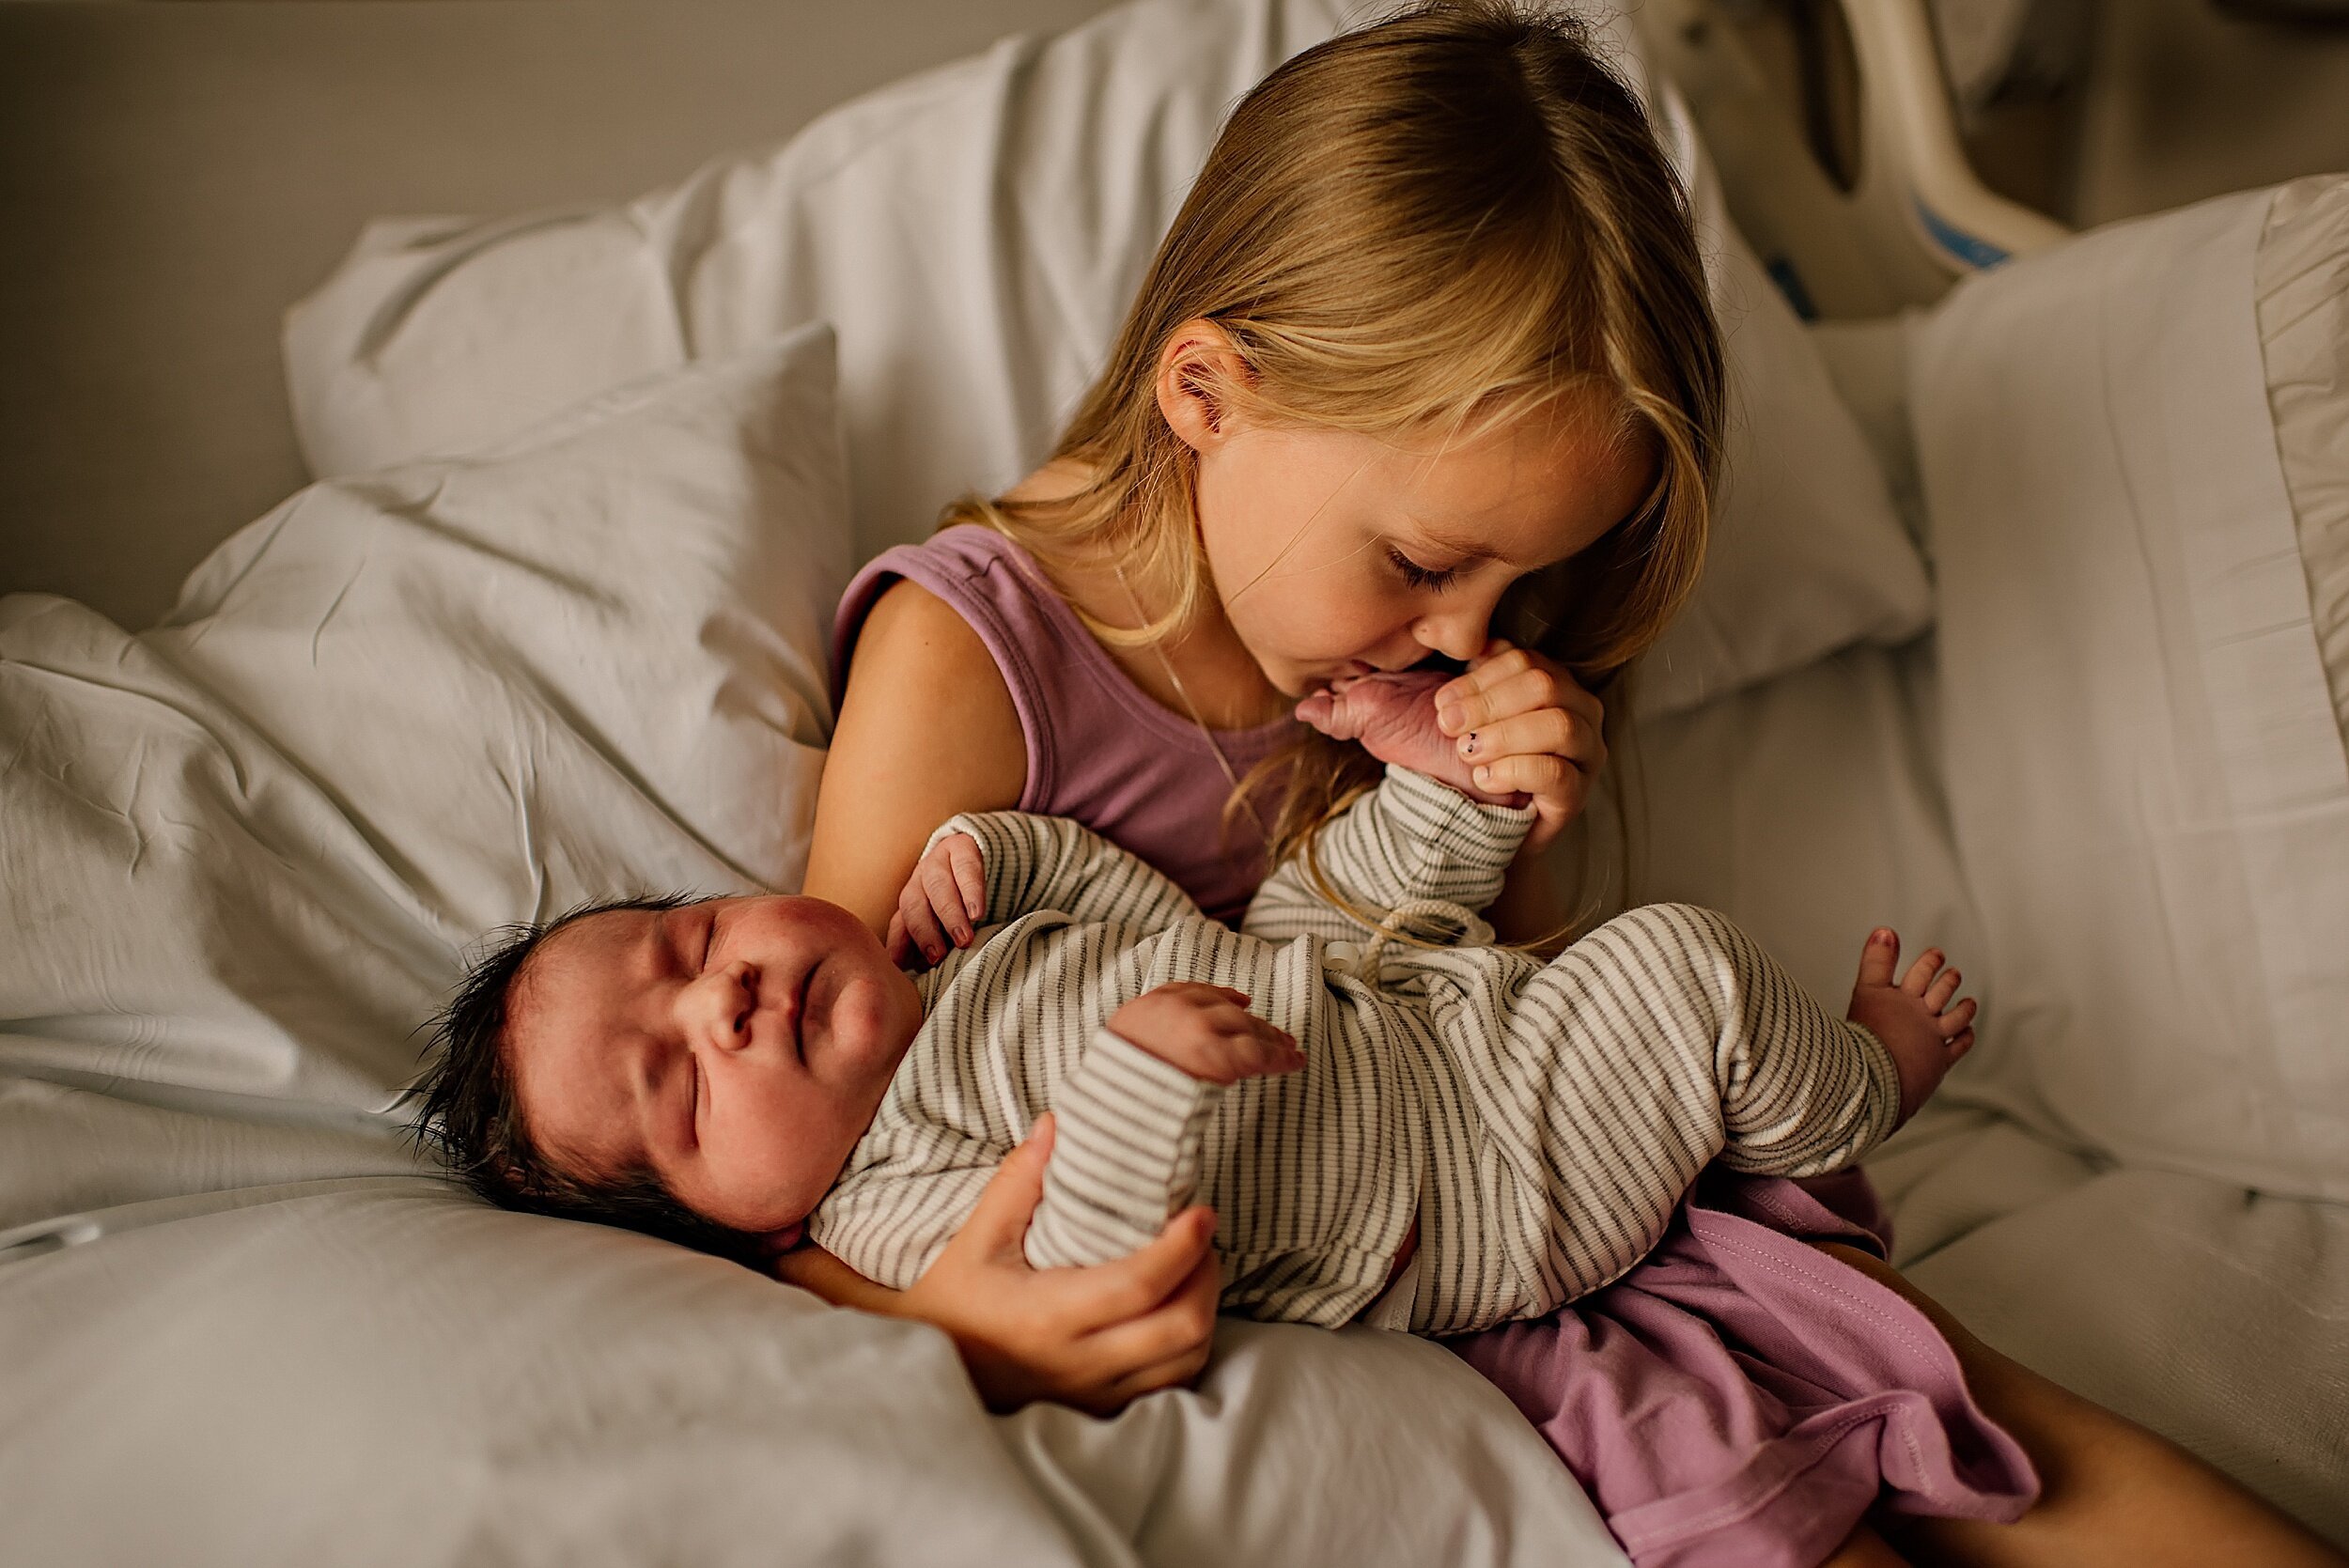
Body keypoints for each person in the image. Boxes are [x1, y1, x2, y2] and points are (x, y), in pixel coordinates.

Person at [778, 2, 2346, 1562]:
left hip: (1523, 1165)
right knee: (1787, 1500)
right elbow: (790, 1155)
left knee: (1974, 1406)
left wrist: (1515, 815)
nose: (1467, 635)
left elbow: (1499, 1004)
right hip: (1365, 1273)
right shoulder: (969, 662)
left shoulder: (1416, 644)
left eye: (1524, 588)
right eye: (1422, 561)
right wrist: (941, 1323)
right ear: (1206, 395)